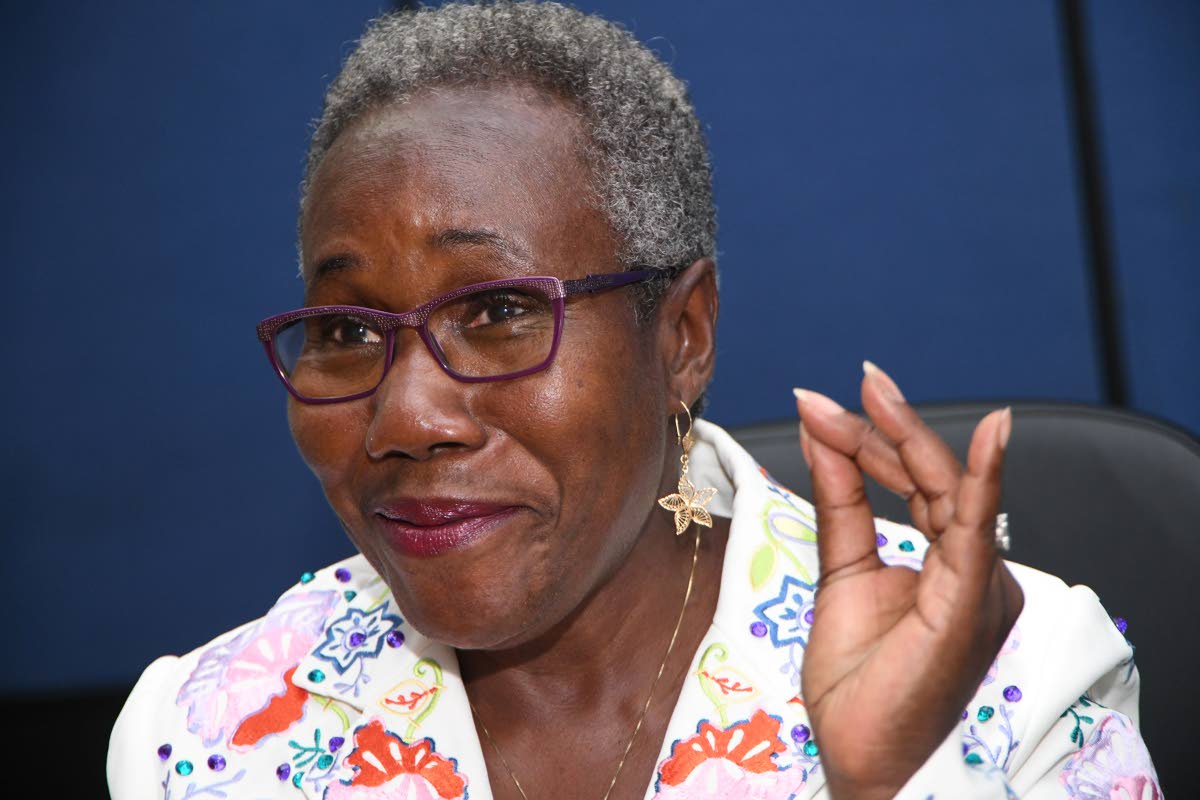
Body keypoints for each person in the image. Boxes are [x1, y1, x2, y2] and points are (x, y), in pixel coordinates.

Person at [107, 3, 1160, 798]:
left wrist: (894, 782)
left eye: (500, 310)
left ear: (683, 336)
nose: (408, 419)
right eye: (346, 331)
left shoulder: (1016, 674)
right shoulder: (203, 739)